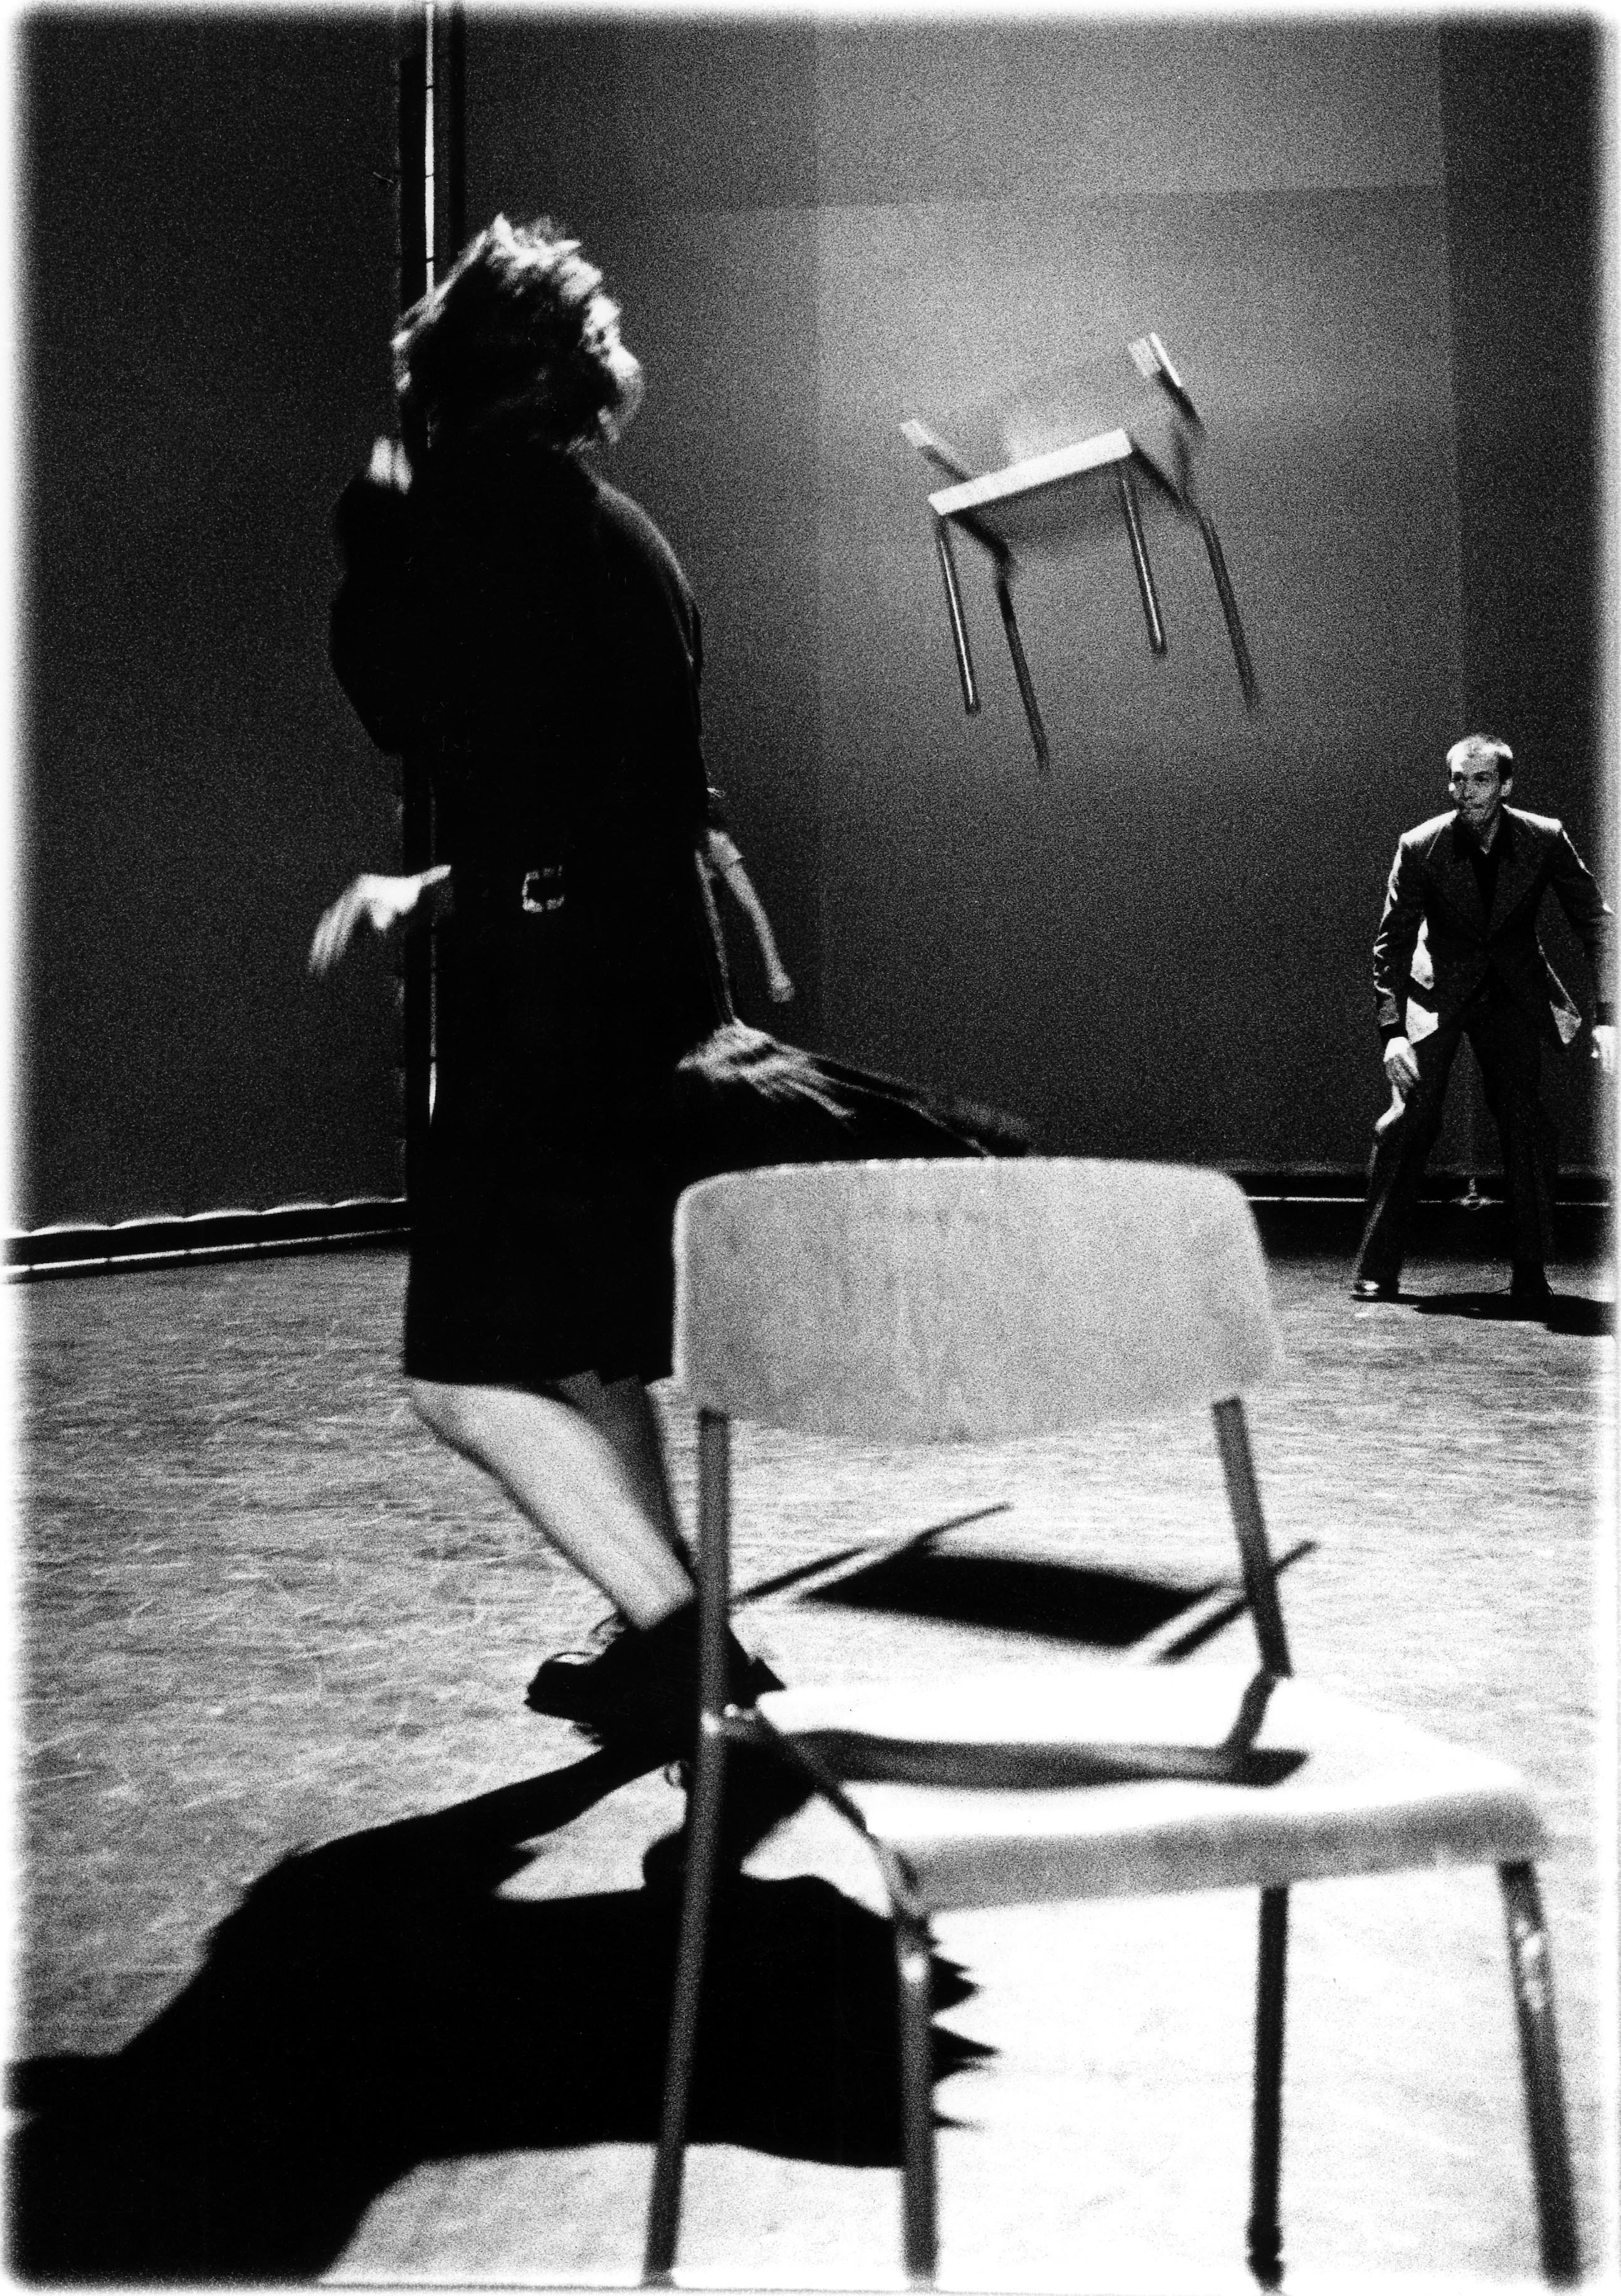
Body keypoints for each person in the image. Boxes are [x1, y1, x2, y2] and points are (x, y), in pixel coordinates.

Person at [311, 216, 1021, 1759]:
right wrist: (446, 890)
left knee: (460, 1382)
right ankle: (664, 1640)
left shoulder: (480, 518)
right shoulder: (622, 533)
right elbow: (594, 793)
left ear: (456, 382)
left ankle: (683, 1641)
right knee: (585, 1345)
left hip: (548, 1021)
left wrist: (373, 538)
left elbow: (397, 699)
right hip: (633, 981)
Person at [1351, 733, 1613, 1304]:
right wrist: (1391, 1033)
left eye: (1480, 780)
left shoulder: (1543, 838)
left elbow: (1598, 924)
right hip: (1436, 993)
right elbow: (1390, 946)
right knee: (1409, 1119)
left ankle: (1530, 1270)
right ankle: (1376, 1267)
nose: (1466, 791)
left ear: (1505, 785)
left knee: (1525, 1120)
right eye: (1457, 780)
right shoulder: (1420, 845)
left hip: (1510, 992)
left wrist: (1607, 1016)